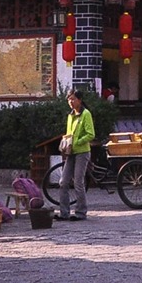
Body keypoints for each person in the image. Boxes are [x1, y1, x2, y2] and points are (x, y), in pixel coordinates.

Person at [56, 90, 95, 221]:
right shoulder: (70, 115)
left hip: (82, 152)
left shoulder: (86, 114)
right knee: (63, 182)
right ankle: (64, 212)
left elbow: (91, 134)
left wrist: (77, 142)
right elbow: (69, 134)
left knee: (78, 182)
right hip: (71, 153)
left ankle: (80, 212)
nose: (71, 102)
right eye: (69, 100)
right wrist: (66, 144)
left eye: (73, 99)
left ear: (79, 100)